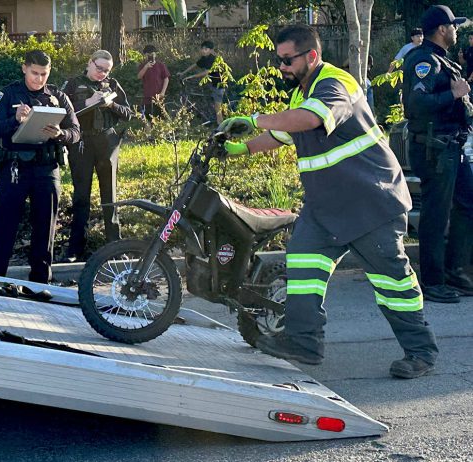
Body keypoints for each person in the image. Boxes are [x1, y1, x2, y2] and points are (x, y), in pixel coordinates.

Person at [218, 24, 439, 379]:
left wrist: (254, 117)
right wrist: (240, 148)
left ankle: (421, 351)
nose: (282, 67)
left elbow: (311, 119)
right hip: (327, 208)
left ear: (312, 56)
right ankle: (304, 343)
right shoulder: (302, 92)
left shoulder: (336, 84)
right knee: (303, 269)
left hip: (370, 203)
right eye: (279, 60)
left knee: (392, 282)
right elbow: (283, 132)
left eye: (287, 60)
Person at [0, 50, 80, 283]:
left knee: (45, 228)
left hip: (46, 168)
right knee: (4, 226)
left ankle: (40, 282)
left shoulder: (57, 96)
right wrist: (14, 120)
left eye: (44, 74)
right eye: (34, 73)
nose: (39, 79)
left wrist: (60, 134)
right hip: (15, 167)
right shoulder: (7, 94)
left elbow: (76, 132)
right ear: (24, 68)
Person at [403, 5, 473, 303]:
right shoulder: (423, 61)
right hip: (435, 149)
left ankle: (454, 271)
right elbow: (417, 104)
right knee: (436, 213)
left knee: (468, 204)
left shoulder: (442, 61)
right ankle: (432, 282)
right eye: (453, 26)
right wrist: (454, 95)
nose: (457, 30)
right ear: (442, 29)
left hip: (451, 146)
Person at [61, 50, 132, 263]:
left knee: (110, 196)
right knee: (81, 196)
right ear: (89, 62)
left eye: (106, 70)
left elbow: (129, 113)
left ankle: (114, 247)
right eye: (99, 68)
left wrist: (111, 104)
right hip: (82, 142)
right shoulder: (72, 85)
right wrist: (88, 103)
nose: (102, 73)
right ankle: (75, 249)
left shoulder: (113, 84)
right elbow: (63, 115)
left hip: (107, 143)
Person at [177, 40, 225, 124]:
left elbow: (206, 72)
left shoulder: (212, 59)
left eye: (206, 49)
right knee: (212, 102)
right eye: (202, 49)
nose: (203, 50)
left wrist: (192, 76)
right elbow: (195, 65)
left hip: (219, 84)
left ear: (211, 50)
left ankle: (220, 126)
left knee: (218, 108)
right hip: (212, 83)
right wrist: (183, 73)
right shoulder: (204, 58)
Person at [137, 44, 170, 121]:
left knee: (163, 118)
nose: (151, 56)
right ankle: (149, 133)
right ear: (145, 55)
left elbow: (166, 78)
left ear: (155, 54)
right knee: (147, 120)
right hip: (147, 97)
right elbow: (139, 76)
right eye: (148, 54)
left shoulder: (160, 65)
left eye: (152, 54)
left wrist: (163, 92)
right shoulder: (142, 66)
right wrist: (146, 67)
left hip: (159, 97)